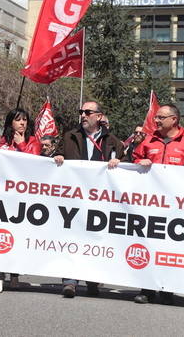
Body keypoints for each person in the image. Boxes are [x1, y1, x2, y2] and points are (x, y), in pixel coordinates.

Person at [132, 104, 184, 305]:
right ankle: (146, 289)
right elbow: (135, 158)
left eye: (161, 117)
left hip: (176, 207)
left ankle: (167, 289)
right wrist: (141, 162)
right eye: (156, 117)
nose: (156, 121)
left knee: (170, 248)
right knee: (148, 244)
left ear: (174, 119)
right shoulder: (148, 139)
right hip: (150, 204)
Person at [54, 101, 124, 298]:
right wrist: (58, 156)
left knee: (95, 239)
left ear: (99, 116)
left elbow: (124, 164)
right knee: (72, 237)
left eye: (88, 112)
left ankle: (93, 280)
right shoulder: (70, 136)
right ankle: (69, 280)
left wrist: (119, 161)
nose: (83, 115)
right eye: (81, 112)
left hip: (99, 201)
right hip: (73, 198)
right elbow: (57, 153)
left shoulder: (112, 141)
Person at [0, 107, 41, 292]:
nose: (22, 123)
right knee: (0, 234)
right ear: (10, 122)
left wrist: (21, 145)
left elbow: (33, 163)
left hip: (22, 197)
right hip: (1, 196)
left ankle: (14, 274)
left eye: (25, 120)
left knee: (17, 236)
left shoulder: (33, 141)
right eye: (18, 119)